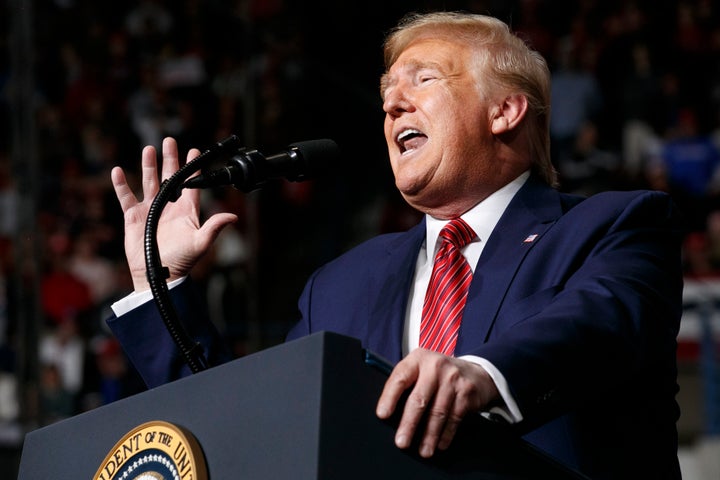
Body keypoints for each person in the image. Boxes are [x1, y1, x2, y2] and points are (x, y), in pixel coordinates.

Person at [107, 11, 684, 479]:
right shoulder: (339, 286)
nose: (391, 105)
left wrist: (482, 374)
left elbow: (599, 322)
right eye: (387, 92)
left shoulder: (616, 225)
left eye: (423, 79)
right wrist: (160, 282)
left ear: (504, 110)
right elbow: (245, 431)